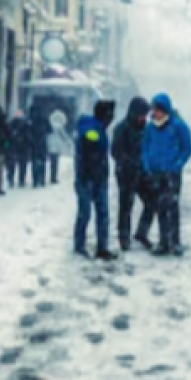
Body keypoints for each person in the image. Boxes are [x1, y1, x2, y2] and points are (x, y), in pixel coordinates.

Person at [142, 93, 191, 257]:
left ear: (165, 110)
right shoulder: (150, 127)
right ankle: (163, 242)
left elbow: (187, 148)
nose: (155, 113)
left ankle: (175, 242)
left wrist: (177, 164)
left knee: (172, 206)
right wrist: (147, 166)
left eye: (158, 110)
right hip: (155, 173)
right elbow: (145, 148)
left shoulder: (177, 126)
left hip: (172, 173)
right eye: (154, 110)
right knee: (160, 207)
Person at [75, 100, 118, 260]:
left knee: (100, 213)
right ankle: (82, 245)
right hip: (87, 179)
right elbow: (89, 142)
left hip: (98, 178)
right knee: (87, 213)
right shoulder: (92, 129)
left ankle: (100, 247)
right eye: (110, 115)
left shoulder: (99, 129)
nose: (111, 119)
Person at [112, 97, 152, 252]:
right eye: (142, 114)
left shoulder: (146, 129)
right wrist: (130, 162)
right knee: (126, 206)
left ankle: (142, 232)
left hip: (143, 173)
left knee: (151, 201)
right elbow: (116, 152)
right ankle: (124, 237)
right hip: (126, 174)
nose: (144, 117)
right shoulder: (121, 128)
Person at [46, 108, 73, 186]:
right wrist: (69, 143)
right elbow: (64, 136)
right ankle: (53, 178)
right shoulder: (60, 128)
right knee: (55, 163)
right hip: (57, 147)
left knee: (51, 162)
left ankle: (50, 177)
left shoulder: (49, 126)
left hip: (50, 146)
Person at [28, 102, 52, 188]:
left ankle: (35, 180)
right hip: (42, 142)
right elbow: (50, 130)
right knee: (42, 161)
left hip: (33, 143)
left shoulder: (30, 119)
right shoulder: (44, 118)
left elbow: (27, 130)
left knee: (34, 162)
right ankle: (42, 179)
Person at [6, 110, 31, 189]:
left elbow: (7, 135)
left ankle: (10, 179)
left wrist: (7, 146)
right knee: (22, 164)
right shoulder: (26, 124)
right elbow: (28, 136)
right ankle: (21, 180)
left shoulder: (11, 124)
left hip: (13, 146)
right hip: (23, 147)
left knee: (12, 165)